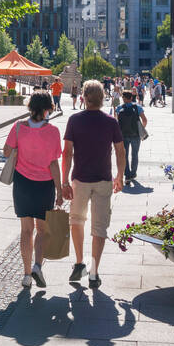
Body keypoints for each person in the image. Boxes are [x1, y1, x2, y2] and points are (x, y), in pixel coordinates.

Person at [61, 80, 125, 289]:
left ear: (84, 97)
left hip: (79, 179)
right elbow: (120, 150)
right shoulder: (111, 122)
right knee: (99, 227)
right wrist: (120, 176)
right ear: (102, 97)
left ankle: (79, 262)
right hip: (104, 179)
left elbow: (67, 152)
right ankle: (94, 271)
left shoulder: (75, 120)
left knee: (77, 220)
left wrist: (64, 180)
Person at [9, 93, 64, 289]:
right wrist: (59, 191)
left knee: (26, 230)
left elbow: (7, 152)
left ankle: (25, 274)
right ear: (48, 107)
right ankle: (38, 266)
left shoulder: (18, 127)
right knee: (41, 230)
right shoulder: (53, 131)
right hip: (44, 184)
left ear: (30, 106)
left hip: (22, 183)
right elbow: (53, 163)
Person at [115, 90, 147, 186]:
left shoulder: (119, 108)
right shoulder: (138, 107)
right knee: (135, 155)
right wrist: (141, 130)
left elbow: (117, 122)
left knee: (124, 156)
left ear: (124, 98)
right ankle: (133, 173)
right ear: (131, 98)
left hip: (123, 135)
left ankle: (127, 175)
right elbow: (144, 120)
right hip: (136, 135)